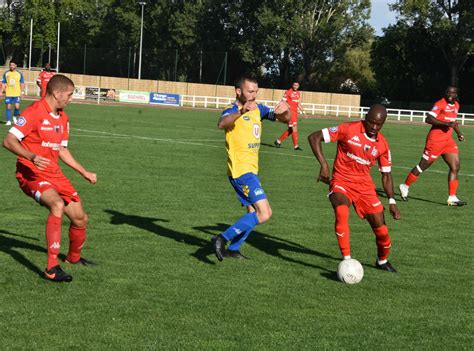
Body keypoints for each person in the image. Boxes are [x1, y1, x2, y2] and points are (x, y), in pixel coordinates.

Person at [2, 75, 97, 282]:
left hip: (54, 173)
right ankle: (52, 268)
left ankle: (73, 258)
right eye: (70, 95)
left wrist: (84, 172)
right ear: (57, 93)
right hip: (31, 173)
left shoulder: (63, 118)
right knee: (57, 205)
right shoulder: (34, 112)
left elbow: (61, 149)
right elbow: (8, 141)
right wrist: (31, 156)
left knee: (81, 218)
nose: (71, 99)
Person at [308, 104, 401, 272]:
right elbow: (314, 137)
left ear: (383, 123)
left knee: (382, 232)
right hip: (341, 181)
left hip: (365, 188)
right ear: (365, 118)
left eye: (378, 124)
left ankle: (382, 261)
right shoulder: (349, 129)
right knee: (341, 211)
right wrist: (324, 165)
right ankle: (347, 261)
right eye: (370, 122)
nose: (373, 127)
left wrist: (392, 201)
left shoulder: (383, 146)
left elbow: (386, 175)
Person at [212, 75, 290, 260]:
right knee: (265, 213)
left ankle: (233, 249)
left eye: (256, 91)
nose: (254, 95)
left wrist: (287, 111)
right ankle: (222, 239)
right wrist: (241, 111)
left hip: (251, 170)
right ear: (238, 91)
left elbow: (284, 119)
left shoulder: (260, 109)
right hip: (241, 171)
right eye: (250, 91)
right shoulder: (232, 110)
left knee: (253, 212)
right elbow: (221, 123)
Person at [399, 86, 466, 206]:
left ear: (456, 94)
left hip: (448, 141)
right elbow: (428, 119)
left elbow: (453, 123)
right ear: (445, 93)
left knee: (455, 166)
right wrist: (446, 123)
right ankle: (405, 185)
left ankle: (452, 197)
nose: (450, 94)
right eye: (448, 92)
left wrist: (459, 134)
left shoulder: (456, 105)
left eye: (453, 92)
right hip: (435, 141)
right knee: (422, 166)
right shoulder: (440, 104)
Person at [274, 81, 306, 150]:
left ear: (299, 86)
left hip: (295, 113)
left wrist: (303, 111)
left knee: (291, 130)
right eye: (294, 85)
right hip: (290, 114)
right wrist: (280, 111)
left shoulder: (298, 93)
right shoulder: (288, 92)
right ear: (292, 85)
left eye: (297, 85)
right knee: (294, 129)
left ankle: (278, 141)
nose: (295, 86)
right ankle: (296, 146)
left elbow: (298, 103)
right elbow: (282, 102)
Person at [0, 61, 25, 126]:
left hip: (17, 93)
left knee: (17, 107)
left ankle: (14, 117)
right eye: (10, 65)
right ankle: (8, 121)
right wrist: (1, 92)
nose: (11, 66)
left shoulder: (19, 74)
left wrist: (22, 92)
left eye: (13, 65)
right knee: (8, 107)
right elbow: (3, 83)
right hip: (9, 93)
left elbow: (22, 83)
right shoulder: (6, 73)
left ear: (16, 66)